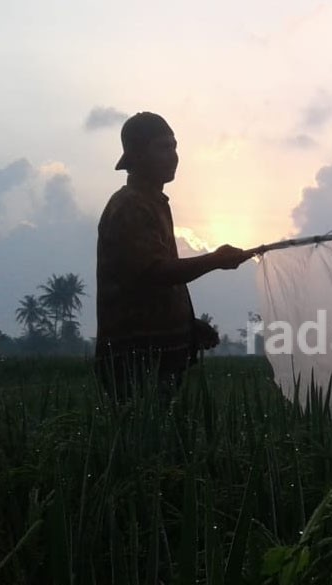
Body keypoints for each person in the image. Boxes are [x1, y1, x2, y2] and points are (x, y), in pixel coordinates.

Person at [95, 111, 252, 402]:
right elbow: (153, 273)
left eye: (174, 146)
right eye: (163, 147)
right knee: (142, 440)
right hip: (136, 358)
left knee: (160, 441)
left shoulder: (154, 204)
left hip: (159, 355)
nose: (174, 156)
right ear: (137, 155)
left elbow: (156, 283)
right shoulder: (130, 206)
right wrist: (214, 260)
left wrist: (188, 326)